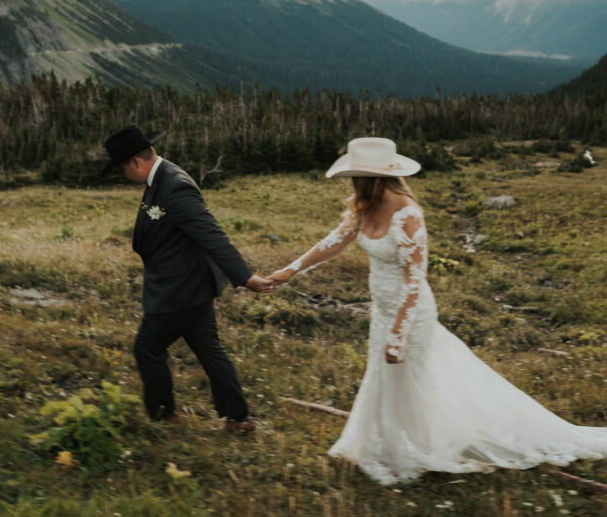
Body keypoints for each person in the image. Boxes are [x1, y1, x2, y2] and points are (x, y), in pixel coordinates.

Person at [267, 137, 607, 484]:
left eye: (357, 177)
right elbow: (334, 240)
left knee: (413, 379)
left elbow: (415, 281)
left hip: (410, 314)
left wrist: (399, 336)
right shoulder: (364, 205)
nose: (352, 183)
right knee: (387, 379)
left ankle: (419, 447)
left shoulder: (407, 213)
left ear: (374, 177)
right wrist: (292, 269)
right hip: (383, 311)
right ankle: (396, 445)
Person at [102, 125, 272, 434]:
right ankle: (239, 418)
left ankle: (164, 417)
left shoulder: (173, 186)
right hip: (189, 286)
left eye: (122, 168)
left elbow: (212, 235)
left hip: (177, 291)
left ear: (136, 163)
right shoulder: (161, 179)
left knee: (147, 349)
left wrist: (246, 278)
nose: (122, 175)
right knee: (209, 349)